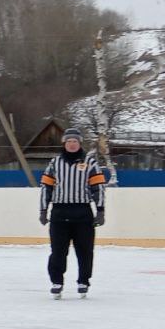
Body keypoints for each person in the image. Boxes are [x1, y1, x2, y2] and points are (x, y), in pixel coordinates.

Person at [38, 126, 106, 298]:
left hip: (82, 212)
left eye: (75, 141)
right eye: (69, 141)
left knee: (85, 250)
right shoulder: (55, 163)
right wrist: (43, 210)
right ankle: (57, 281)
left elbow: (98, 187)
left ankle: (83, 281)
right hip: (60, 212)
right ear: (64, 143)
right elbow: (46, 187)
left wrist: (100, 210)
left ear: (80, 143)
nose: (72, 144)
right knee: (58, 251)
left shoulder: (90, 162)